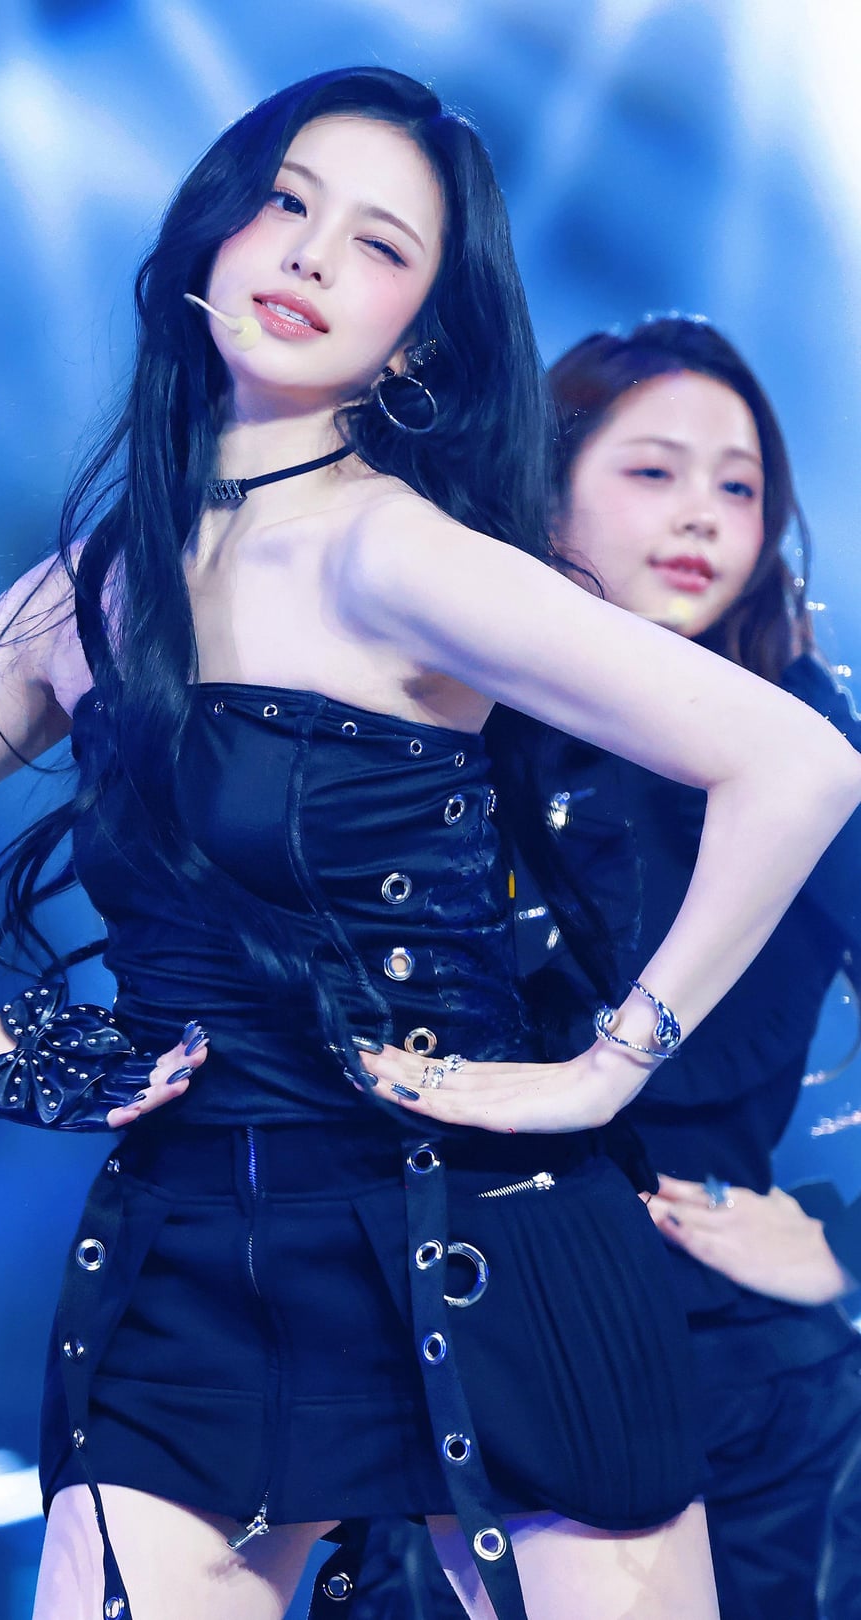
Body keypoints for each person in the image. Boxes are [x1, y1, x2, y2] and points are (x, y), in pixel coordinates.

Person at [0, 72, 859, 1620]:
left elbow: (797, 761)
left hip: (477, 1228)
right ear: (209, 234)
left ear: (416, 337)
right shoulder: (86, 588)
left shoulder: (396, 553)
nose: (308, 255)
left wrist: (607, 1068)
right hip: (187, 1260)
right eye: (287, 203)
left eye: (378, 244)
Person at [514, 315, 861, 1619]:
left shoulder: (806, 748)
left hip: (736, 1393)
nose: (704, 515)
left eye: (740, 487)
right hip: (465, 1361)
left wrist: (844, 1247)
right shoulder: (445, 729)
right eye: (653, 470)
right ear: (545, 488)